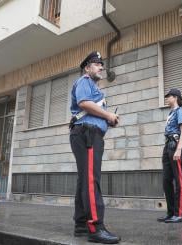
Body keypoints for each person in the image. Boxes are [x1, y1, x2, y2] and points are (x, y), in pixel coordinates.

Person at [69, 51, 120, 244]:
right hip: (87, 134)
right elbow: (84, 103)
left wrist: (109, 119)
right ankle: (95, 227)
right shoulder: (85, 81)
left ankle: (81, 225)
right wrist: (108, 115)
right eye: (97, 64)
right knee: (91, 180)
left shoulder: (94, 88)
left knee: (85, 180)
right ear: (87, 68)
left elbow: (91, 109)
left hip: (88, 132)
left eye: (101, 65)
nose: (101, 67)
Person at [157, 88, 182, 223]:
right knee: (166, 181)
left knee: (179, 180)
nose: (167, 98)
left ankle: (179, 214)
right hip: (168, 145)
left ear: (175, 97)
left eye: (168, 96)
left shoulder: (179, 112)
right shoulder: (170, 113)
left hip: (176, 145)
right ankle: (171, 213)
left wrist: (179, 148)